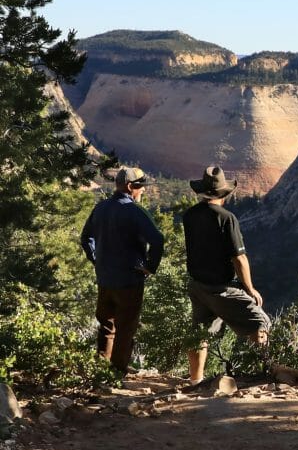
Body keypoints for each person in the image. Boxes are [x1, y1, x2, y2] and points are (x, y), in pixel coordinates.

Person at [182, 165, 270, 386]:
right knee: (259, 321)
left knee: (201, 332)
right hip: (220, 287)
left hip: (197, 284)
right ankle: (263, 373)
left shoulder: (189, 215)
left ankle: (195, 380)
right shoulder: (226, 218)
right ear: (223, 194)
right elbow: (239, 258)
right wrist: (249, 288)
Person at [80, 166, 165, 374]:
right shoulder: (135, 211)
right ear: (130, 187)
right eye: (140, 187)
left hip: (105, 279)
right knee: (125, 328)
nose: (143, 191)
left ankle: (100, 370)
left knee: (106, 325)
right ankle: (117, 373)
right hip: (129, 280)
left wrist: (96, 259)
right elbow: (158, 240)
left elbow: (86, 237)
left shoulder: (100, 208)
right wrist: (150, 268)